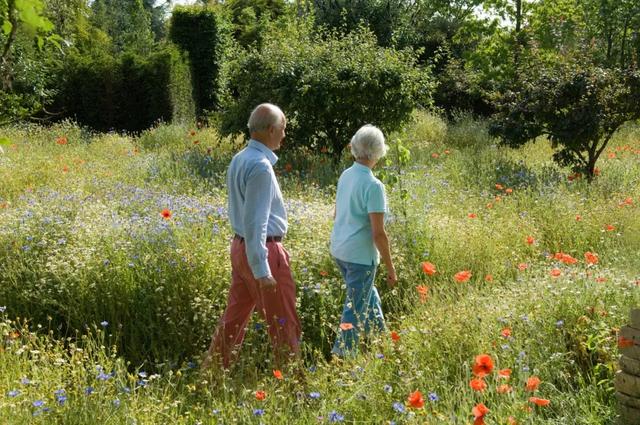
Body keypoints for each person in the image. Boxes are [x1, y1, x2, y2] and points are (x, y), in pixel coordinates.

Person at [203, 103, 301, 370]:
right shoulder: (260, 167)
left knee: (233, 319)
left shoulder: (241, 158)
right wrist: (263, 270)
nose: (284, 135)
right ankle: (296, 390)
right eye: (282, 129)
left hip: (240, 247)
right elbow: (256, 222)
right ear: (271, 130)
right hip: (263, 251)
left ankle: (209, 376)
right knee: (283, 323)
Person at [330, 124, 397, 358]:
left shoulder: (346, 175)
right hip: (360, 257)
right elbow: (378, 233)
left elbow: (337, 215)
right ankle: (342, 356)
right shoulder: (373, 185)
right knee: (354, 308)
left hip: (340, 250)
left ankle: (380, 341)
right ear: (378, 152)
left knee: (367, 295)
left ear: (355, 147)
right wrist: (391, 268)